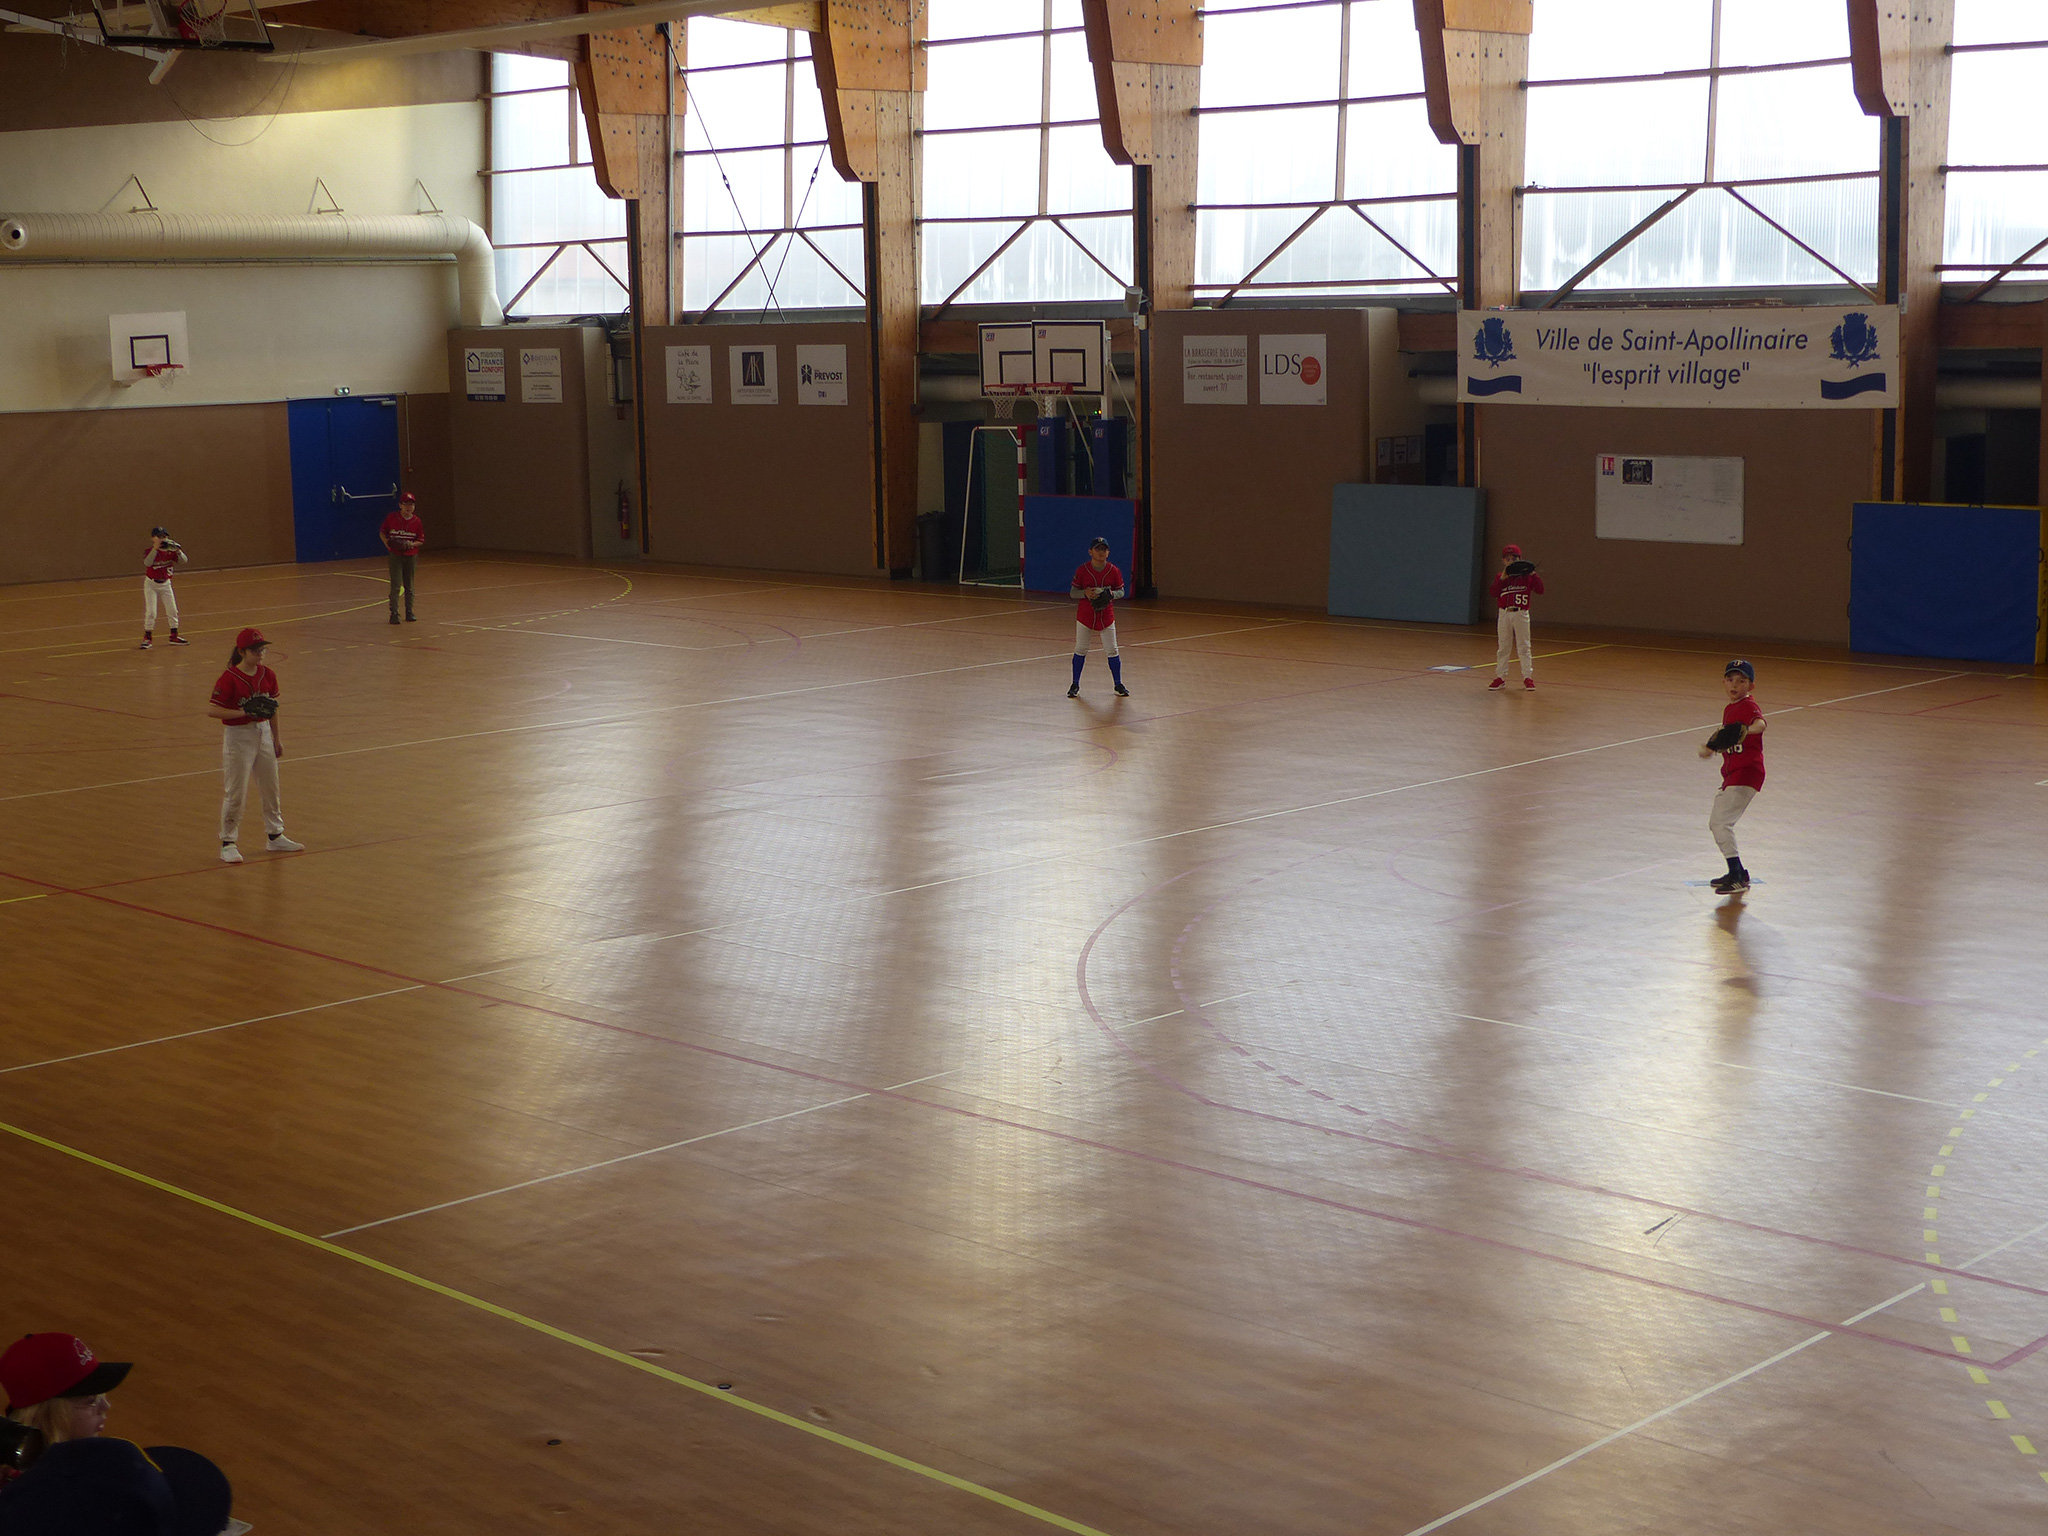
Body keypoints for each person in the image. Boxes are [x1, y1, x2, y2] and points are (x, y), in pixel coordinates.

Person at [0, 1332, 238, 1536]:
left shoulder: (87, 1465)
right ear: (47, 1414)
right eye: (90, 1401)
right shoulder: (50, 1501)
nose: (106, 1406)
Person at [207, 628, 303, 864]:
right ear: (242, 652)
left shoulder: (267, 674)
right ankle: (228, 842)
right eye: (255, 650)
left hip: (263, 733)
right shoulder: (229, 677)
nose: (261, 654)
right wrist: (243, 712)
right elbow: (213, 710)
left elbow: (272, 709)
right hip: (238, 736)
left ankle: (275, 835)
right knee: (236, 791)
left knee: (271, 787)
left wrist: (276, 739)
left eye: (262, 649)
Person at [1699, 658, 1766, 895]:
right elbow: (1727, 738)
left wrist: (1748, 730)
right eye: (1730, 679)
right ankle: (1737, 872)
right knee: (1717, 823)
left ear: (1751, 686)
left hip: (1746, 773)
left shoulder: (1748, 705)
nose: (1735, 684)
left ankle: (1736, 875)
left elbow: (1760, 724)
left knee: (1720, 823)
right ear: (1724, 683)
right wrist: (1710, 747)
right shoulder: (1729, 709)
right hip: (1733, 774)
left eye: (1742, 680)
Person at [1067, 537, 1128, 699]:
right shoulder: (1083, 570)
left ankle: (1118, 684)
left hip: (1106, 615)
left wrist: (1111, 594)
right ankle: (1075, 684)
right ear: (1090, 551)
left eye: (1104, 549)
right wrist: (1085, 593)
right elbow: (1073, 592)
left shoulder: (1113, 570)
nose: (1101, 552)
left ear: (1108, 552)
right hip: (1085, 615)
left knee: (1112, 649)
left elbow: (1121, 591)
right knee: (1081, 649)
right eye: (1098, 549)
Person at [1488, 544, 1543, 690]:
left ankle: (1527, 677)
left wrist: (1532, 573)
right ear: (1503, 561)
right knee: (1503, 646)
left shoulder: (1526, 577)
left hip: (1521, 613)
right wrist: (1502, 579)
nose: (1511, 561)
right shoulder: (1501, 577)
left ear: (1520, 559)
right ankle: (1500, 677)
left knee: (1524, 646)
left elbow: (1540, 589)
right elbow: (1493, 592)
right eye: (1508, 559)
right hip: (1504, 613)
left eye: (1514, 559)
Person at [379, 492, 425, 625]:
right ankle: (394, 612)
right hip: (396, 555)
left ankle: (409, 611)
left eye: (411, 505)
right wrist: (387, 543)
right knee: (396, 585)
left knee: (409, 584)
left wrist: (411, 544)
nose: (408, 507)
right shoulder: (392, 518)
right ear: (400, 505)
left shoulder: (417, 521)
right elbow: (382, 532)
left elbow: (421, 540)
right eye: (406, 504)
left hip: (410, 556)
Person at [140, 530, 189, 651]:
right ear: (153, 538)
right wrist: (155, 549)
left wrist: (178, 550)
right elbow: (147, 563)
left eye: (164, 537)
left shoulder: (170, 551)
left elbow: (184, 561)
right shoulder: (149, 551)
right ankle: (147, 637)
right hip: (151, 584)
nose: (162, 539)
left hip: (166, 584)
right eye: (159, 537)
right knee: (151, 612)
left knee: (172, 610)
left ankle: (174, 636)